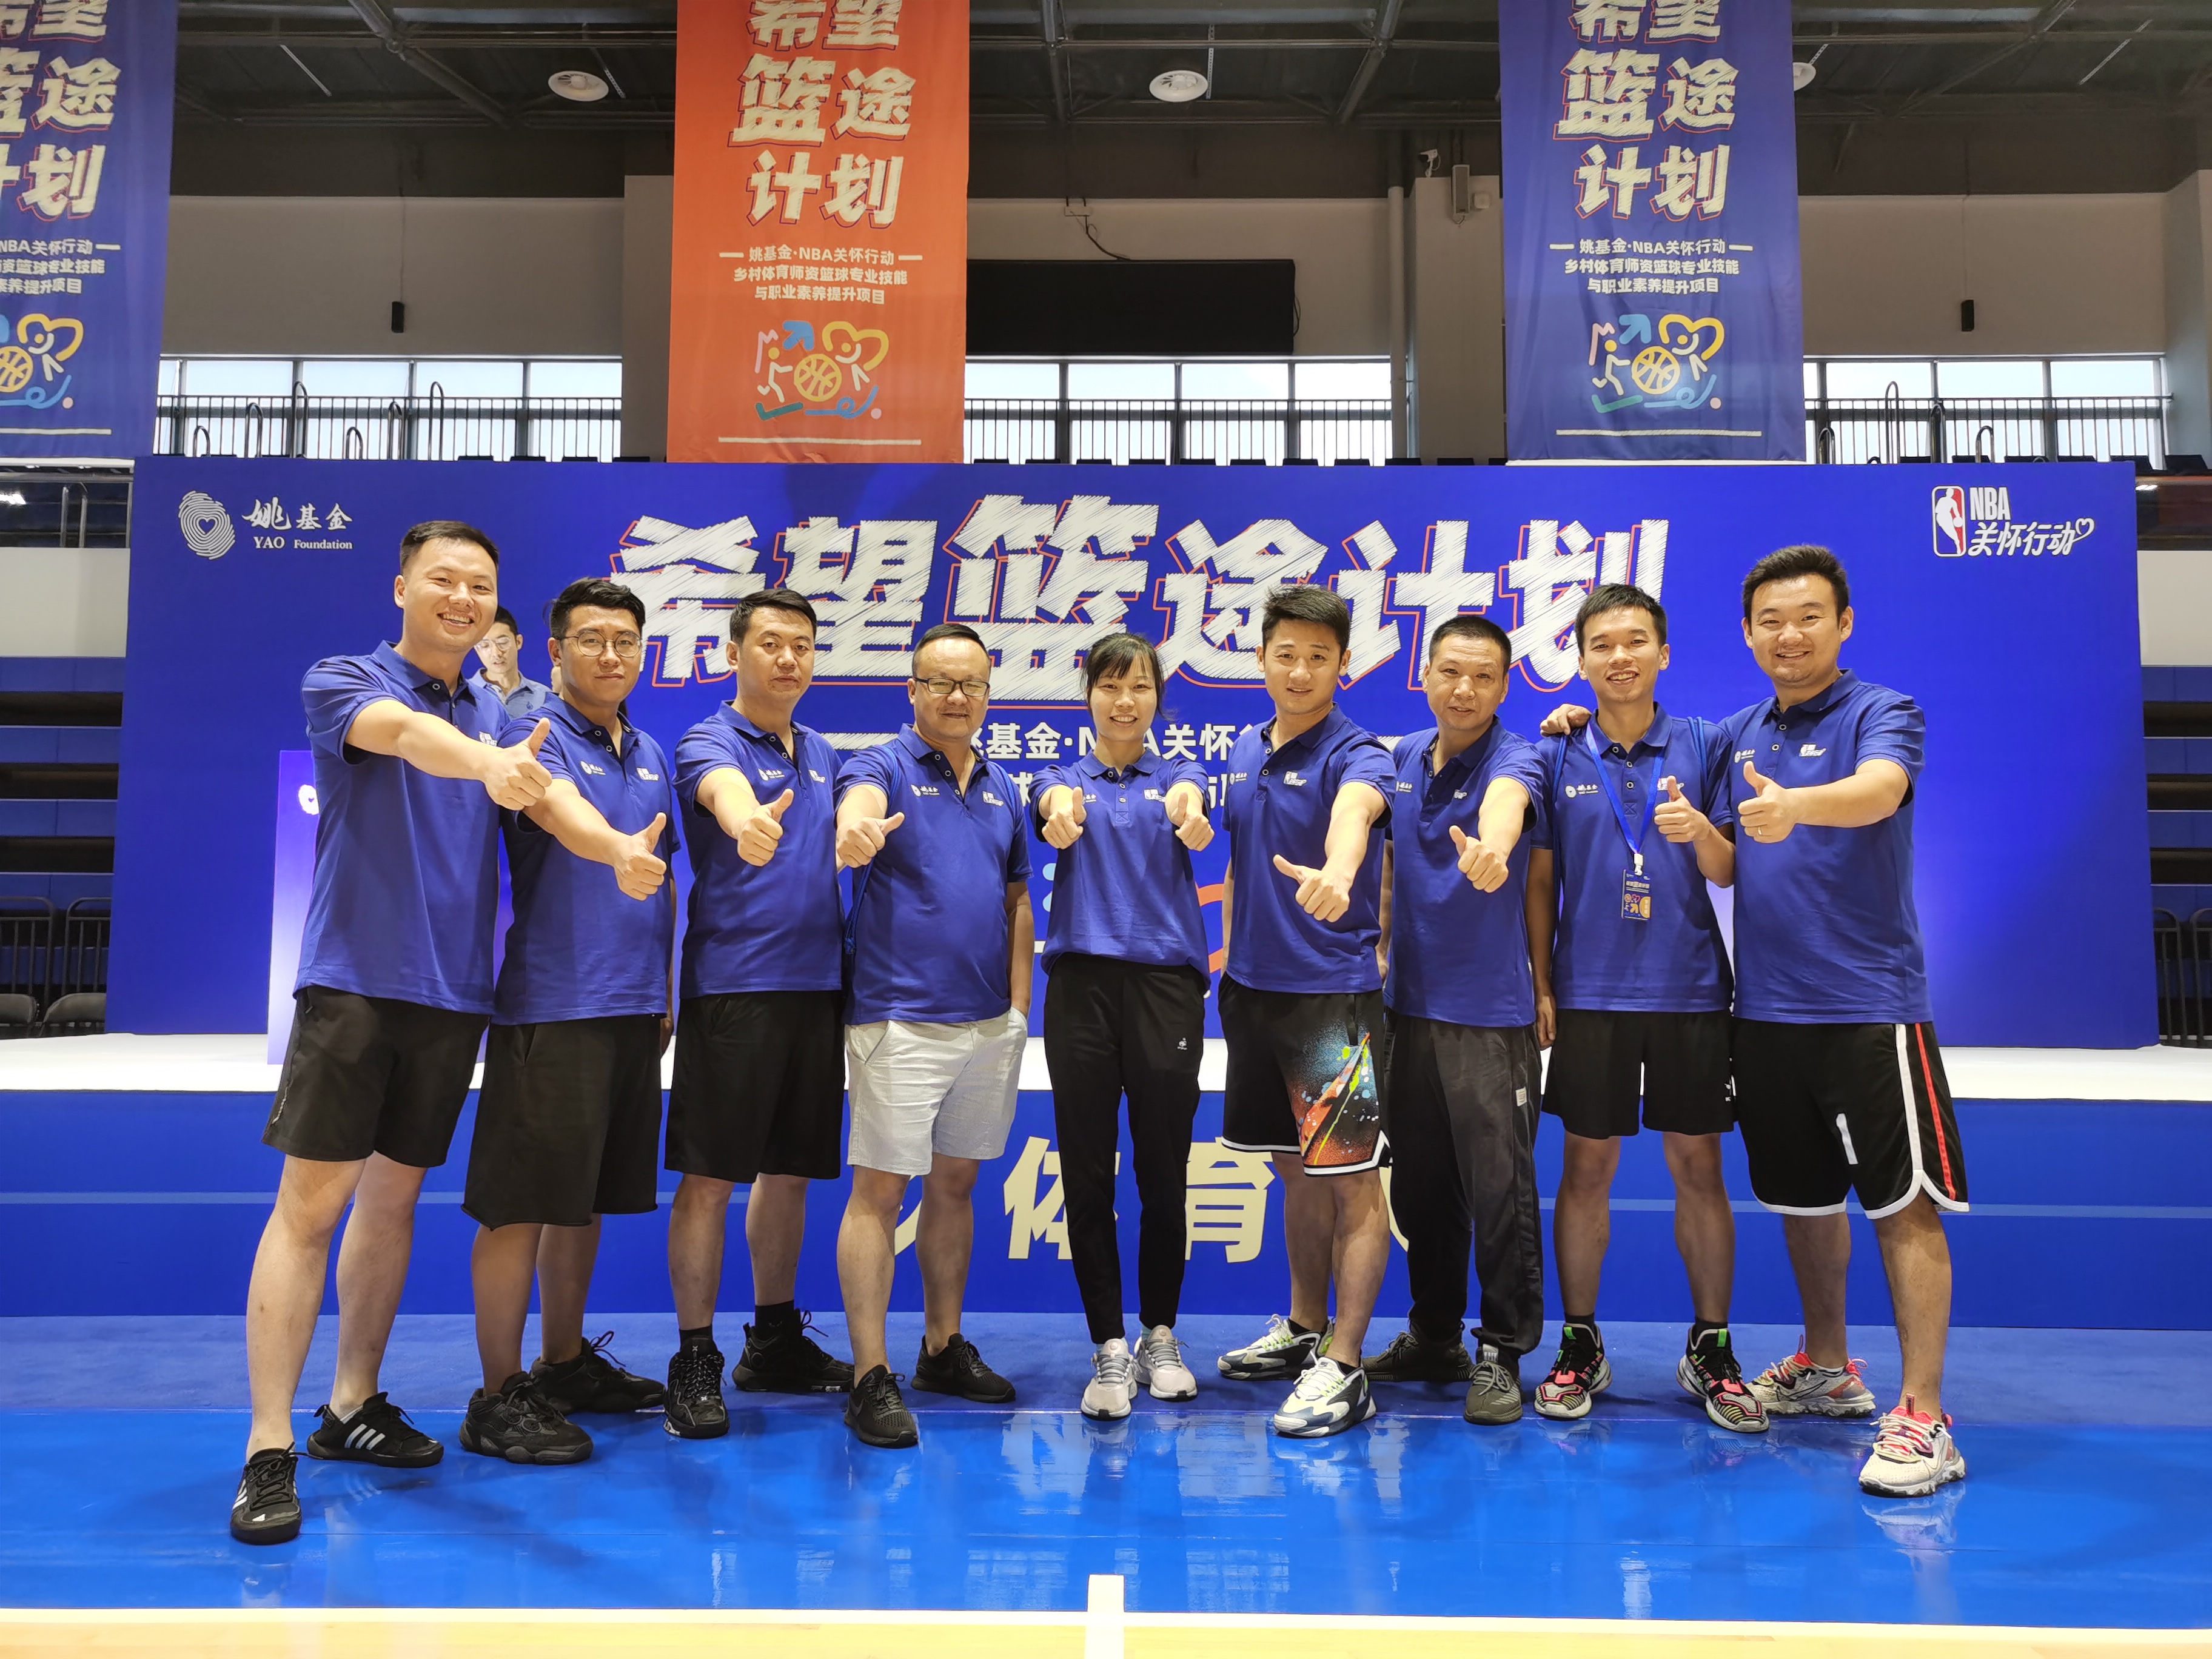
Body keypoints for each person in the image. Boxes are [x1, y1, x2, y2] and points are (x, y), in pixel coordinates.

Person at [233, 521, 552, 1544]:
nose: (462, 598)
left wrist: (620, 853)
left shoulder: (498, 708)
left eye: (481, 585)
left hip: (453, 995)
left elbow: (542, 790)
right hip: (357, 985)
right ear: (402, 588)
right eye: (443, 580)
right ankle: (269, 1446)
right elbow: (409, 738)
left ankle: (351, 1405)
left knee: (393, 1203)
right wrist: (490, 764)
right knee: (310, 1210)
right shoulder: (348, 679)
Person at [1724, 546, 1968, 1496]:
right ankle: (1827, 1366)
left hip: (1870, 1008)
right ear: (1749, 634)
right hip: (1766, 1012)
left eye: (1809, 617)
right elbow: (1695, 811)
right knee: (1804, 1200)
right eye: (1771, 622)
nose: (1790, 635)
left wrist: (1797, 806)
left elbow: (1881, 791)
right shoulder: (1739, 732)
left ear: (1844, 623)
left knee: (1903, 1203)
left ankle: (1924, 1414)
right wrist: (1574, 719)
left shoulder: (1881, 711)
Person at [1526, 583, 1762, 1434]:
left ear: (1664, 653)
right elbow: (1540, 882)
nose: (1619, 657)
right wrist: (1543, 985)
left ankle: (1712, 1347)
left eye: (1636, 641)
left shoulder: (1706, 743)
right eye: (1602, 644)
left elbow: (1731, 869)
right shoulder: (1557, 751)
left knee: (1700, 1168)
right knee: (1585, 1170)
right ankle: (1580, 1342)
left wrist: (1701, 831)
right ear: (1580, 660)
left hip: (1690, 991)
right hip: (1589, 996)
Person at [458, 577, 676, 1466]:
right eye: (591, 639)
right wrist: (617, 850)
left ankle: (562, 1362)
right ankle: (497, 1394)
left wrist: (663, 989)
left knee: (579, 1203)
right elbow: (561, 814)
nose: (610, 655)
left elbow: (666, 881)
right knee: (520, 1208)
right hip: (553, 1006)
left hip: (632, 1005)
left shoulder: (649, 749)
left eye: (625, 640)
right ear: (555, 652)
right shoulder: (530, 734)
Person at [833, 623, 1035, 1449]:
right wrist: (854, 830)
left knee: (955, 1187)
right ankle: (869, 1376)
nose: (957, 697)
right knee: (881, 1195)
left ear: (988, 695)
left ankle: (942, 1348)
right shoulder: (881, 766)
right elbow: (856, 809)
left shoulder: (1003, 785)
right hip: (898, 1019)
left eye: (972, 685)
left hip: (987, 1024)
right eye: (941, 683)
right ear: (912, 690)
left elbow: (1017, 900)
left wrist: (1018, 1010)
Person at [662, 589, 853, 1438]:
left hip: (818, 989)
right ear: (734, 653)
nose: (788, 658)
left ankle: (773, 1338)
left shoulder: (824, 751)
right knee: (711, 1180)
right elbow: (725, 795)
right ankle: (695, 1356)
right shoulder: (709, 739)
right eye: (771, 643)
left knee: (790, 1173)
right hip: (735, 989)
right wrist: (747, 825)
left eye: (802, 645)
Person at [1214, 585, 1395, 1440]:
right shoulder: (1247, 748)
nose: (1300, 671)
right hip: (1254, 995)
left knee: (1351, 1181)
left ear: (1343, 665)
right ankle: (1304, 1325)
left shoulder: (1358, 753)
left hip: (1329, 1001)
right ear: (1261, 658)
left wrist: (1340, 869)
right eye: (1285, 654)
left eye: (1319, 657)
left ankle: (1347, 1365)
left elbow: (1358, 815)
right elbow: (1240, 867)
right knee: (1293, 1168)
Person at [1367, 614, 1548, 1426]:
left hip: (1489, 1020)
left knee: (1500, 1192)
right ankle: (1435, 1335)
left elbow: (1508, 809)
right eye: (1450, 672)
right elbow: (1388, 865)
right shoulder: (1404, 756)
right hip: (1407, 1011)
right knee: (1420, 1189)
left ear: (1505, 687)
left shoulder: (1517, 758)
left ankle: (1502, 1351)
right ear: (1425, 676)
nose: (1465, 690)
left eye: (1483, 677)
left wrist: (1493, 849)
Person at [1033, 631, 1212, 1420]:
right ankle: (1108, 1346)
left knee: (1164, 1170)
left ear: (1157, 699)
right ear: (1089, 698)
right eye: (1109, 686)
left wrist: (1191, 815)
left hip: (1165, 988)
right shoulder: (1062, 779)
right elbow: (1051, 807)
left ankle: (1159, 1335)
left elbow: (1192, 802)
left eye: (1139, 686)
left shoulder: (1177, 776)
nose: (1124, 700)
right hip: (1081, 988)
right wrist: (1058, 816)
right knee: (1086, 1174)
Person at [471, 606, 552, 719]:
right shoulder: (463, 695)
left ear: (518, 642)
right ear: (476, 648)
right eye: (485, 645)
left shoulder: (544, 697)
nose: (496, 653)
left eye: (503, 642)